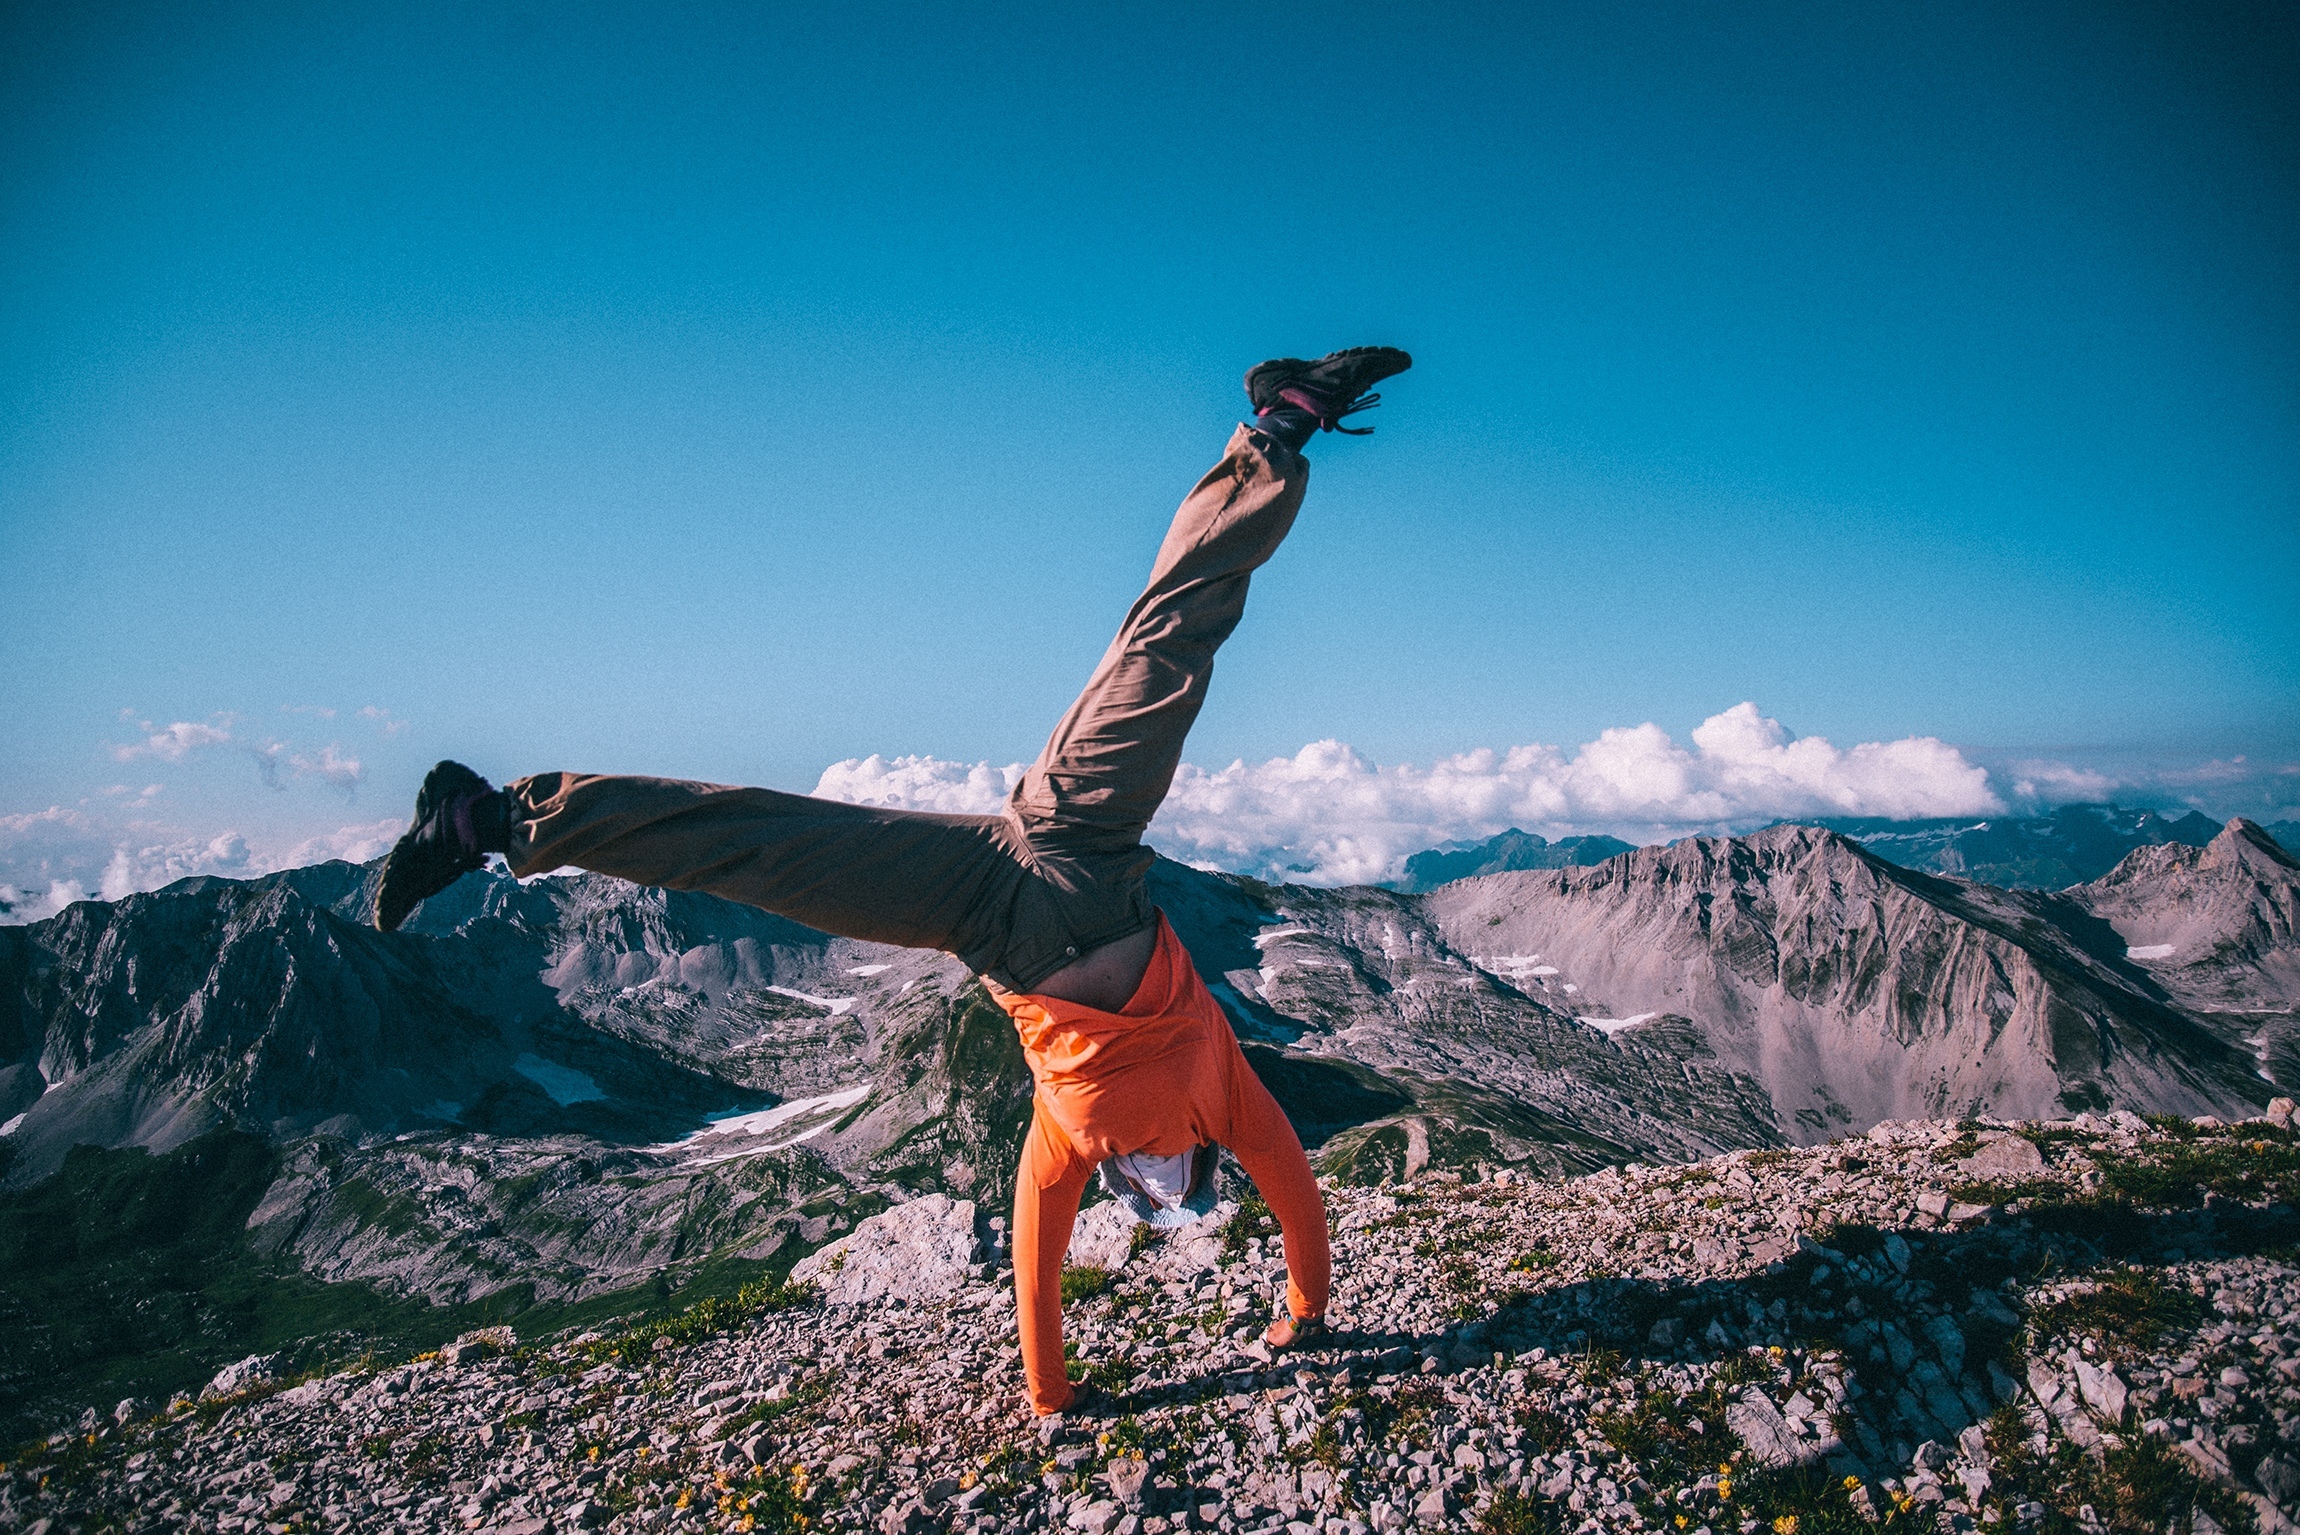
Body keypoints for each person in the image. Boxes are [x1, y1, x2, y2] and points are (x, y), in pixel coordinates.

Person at [373, 346, 1412, 1415]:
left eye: (1151, 1197)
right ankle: (1279, 425)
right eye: (1168, 1192)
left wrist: (1057, 1395)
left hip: (990, 904)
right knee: (1169, 634)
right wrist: (1304, 1312)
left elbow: (1043, 1273)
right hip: (1082, 848)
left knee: (758, 844)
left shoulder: (1084, 1142)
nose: (1154, 1187)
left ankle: (481, 820)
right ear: (1186, 1167)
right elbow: (1277, 1201)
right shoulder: (1218, 1105)